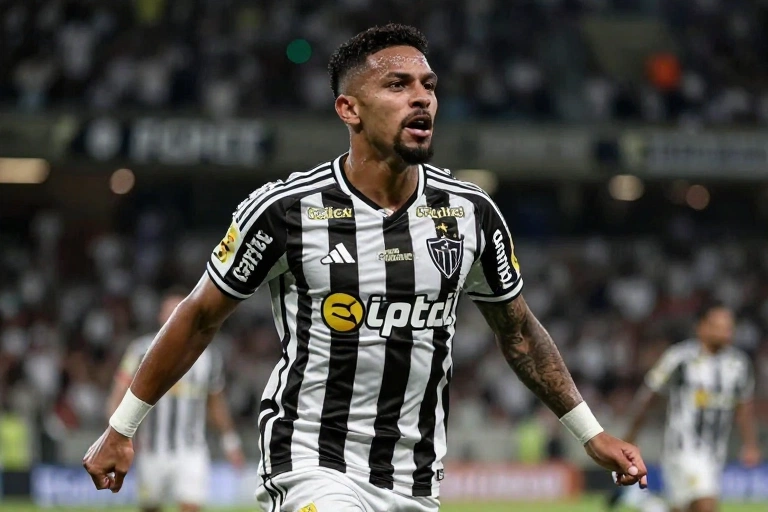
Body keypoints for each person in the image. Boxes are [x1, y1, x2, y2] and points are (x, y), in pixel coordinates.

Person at [84, 24, 648, 512]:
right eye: (398, 85)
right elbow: (199, 316)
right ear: (348, 109)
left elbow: (519, 332)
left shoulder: (469, 213)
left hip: (416, 478)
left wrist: (590, 433)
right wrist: (121, 428)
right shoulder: (285, 211)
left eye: (429, 85)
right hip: (310, 460)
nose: (421, 98)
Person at [105, 288, 245, 512]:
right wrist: (118, 437)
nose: (174, 318)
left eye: (180, 312)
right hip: (151, 448)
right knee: (150, 508)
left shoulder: (208, 356)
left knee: (191, 507)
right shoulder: (140, 351)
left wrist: (231, 442)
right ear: (160, 316)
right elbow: (118, 395)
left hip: (191, 449)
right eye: (169, 312)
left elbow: (215, 402)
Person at [623, 301, 759, 512]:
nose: (726, 332)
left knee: (686, 508)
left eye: (729, 327)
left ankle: (649, 506)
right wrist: (630, 437)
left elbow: (744, 406)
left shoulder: (738, 364)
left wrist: (750, 444)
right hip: (683, 449)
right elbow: (649, 396)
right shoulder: (680, 358)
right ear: (702, 327)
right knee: (706, 505)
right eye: (719, 326)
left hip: (715, 452)